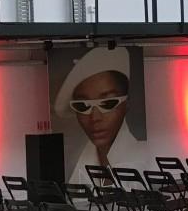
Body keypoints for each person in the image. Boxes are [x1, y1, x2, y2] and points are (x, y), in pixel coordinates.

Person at [52, 47, 147, 181]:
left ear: (127, 103)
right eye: (83, 106)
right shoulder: (79, 167)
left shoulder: (143, 157)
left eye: (107, 103)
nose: (95, 117)